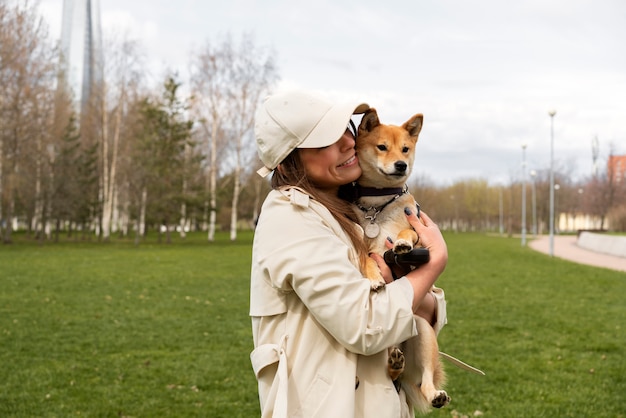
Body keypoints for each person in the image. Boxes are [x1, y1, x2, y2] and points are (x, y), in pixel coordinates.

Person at [250, 90, 448, 418]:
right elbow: (366, 325)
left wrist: (416, 294)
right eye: (326, 139)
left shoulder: (350, 210)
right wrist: (433, 265)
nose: (347, 143)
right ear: (290, 158)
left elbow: (420, 309)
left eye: (347, 130)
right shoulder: (291, 215)